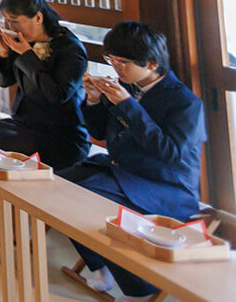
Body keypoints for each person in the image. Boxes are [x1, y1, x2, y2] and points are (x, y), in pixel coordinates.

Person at [64, 22, 205, 302]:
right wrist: (92, 99)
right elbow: (99, 132)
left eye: (122, 61)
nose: (115, 67)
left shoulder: (185, 103)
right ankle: (100, 266)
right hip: (124, 173)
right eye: (111, 59)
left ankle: (140, 290)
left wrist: (127, 104)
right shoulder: (126, 86)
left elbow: (169, 153)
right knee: (60, 187)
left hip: (166, 186)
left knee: (87, 198)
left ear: (151, 63)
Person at [0, 0, 88, 214]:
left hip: (60, 133)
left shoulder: (70, 49)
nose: (11, 27)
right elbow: (3, 80)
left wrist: (27, 54)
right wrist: (5, 53)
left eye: (15, 21)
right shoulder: (22, 44)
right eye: (7, 21)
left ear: (38, 17)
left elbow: (58, 95)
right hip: (25, 123)